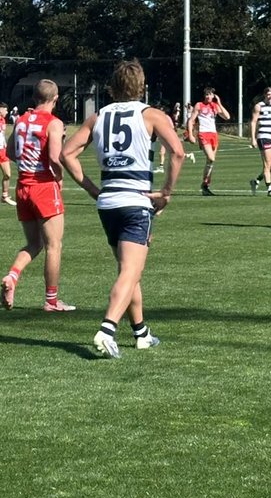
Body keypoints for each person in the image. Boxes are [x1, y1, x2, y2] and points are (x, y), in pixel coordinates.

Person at [61, 59, 185, 359]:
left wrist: (93, 190)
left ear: (112, 87)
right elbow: (178, 153)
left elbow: (66, 154)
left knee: (129, 271)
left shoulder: (98, 117)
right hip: (136, 200)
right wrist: (166, 192)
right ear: (142, 86)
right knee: (131, 270)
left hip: (108, 203)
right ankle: (107, 330)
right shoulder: (152, 115)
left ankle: (141, 333)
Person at [0, 80, 90, 313]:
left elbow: (10, 152)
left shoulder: (20, 121)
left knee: (34, 243)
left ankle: (12, 276)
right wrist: (59, 177)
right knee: (53, 246)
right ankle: (51, 300)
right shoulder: (54, 123)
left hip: (22, 187)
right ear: (55, 98)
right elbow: (54, 157)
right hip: (43, 186)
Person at [186, 86, 230, 195]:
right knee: (211, 158)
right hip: (203, 134)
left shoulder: (215, 106)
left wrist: (219, 103)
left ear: (213, 96)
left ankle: (205, 185)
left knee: (210, 162)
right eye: (206, 94)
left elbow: (227, 117)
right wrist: (191, 135)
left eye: (210, 94)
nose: (208, 96)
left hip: (213, 134)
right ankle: (205, 185)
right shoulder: (199, 105)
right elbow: (191, 120)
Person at [250, 86, 271, 198]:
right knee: (267, 164)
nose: (270, 96)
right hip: (263, 137)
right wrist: (253, 138)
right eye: (268, 94)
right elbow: (253, 122)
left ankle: (256, 181)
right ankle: (270, 189)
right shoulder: (259, 106)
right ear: (264, 95)